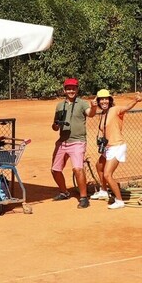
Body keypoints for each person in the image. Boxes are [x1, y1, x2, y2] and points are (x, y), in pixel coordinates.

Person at [90, 89, 142, 209]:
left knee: (107, 174)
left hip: (117, 146)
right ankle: (103, 191)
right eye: (101, 99)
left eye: (106, 99)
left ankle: (119, 201)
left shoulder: (114, 110)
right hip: (108, 147)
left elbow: (126, 108)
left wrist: (136, 100)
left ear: (109, 100)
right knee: (99, 166)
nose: (104, 101)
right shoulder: (103, 114)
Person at [50, 77, 94, 208]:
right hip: (62, 142)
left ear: (77, 89)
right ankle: (64, 192)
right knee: (55, 170)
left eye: (73, 88)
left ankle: (84, 198)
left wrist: (94, 106)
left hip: (77, 141)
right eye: (68, 89)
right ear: (64, 90)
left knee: (78, 169)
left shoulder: (82, 103)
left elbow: (90, 114)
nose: (71, 91)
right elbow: (54, 126)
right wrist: (56, 125)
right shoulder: (59, 106)